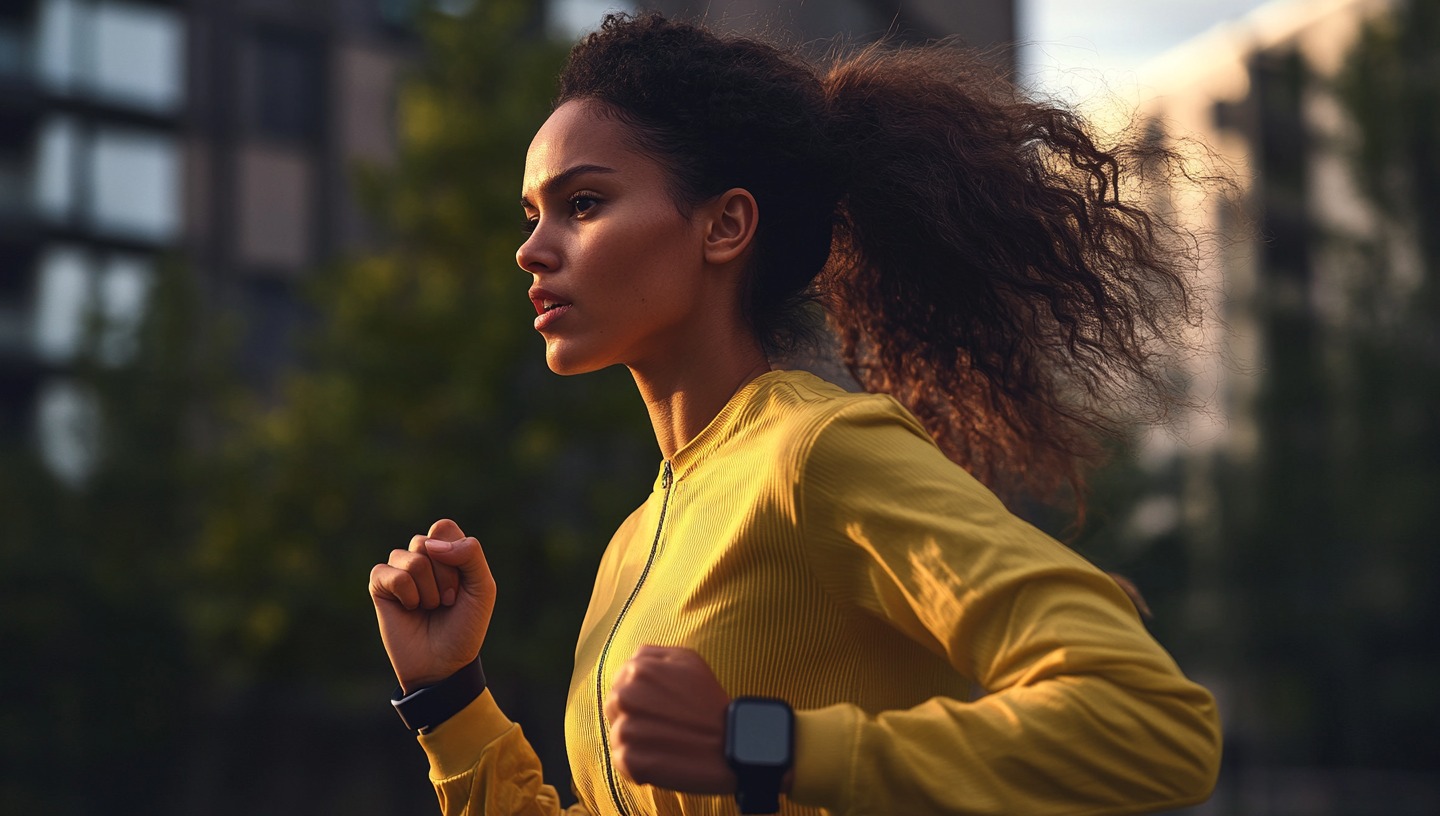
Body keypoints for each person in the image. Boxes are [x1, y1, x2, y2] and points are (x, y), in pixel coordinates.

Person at [368, 12, 1222, 815]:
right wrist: (449, 699)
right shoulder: (634, 543)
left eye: (583, 204)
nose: (531, 248)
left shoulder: (818, 451)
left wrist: (757, 741)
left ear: (726, 226)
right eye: (532, 214)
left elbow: (1154, 722)